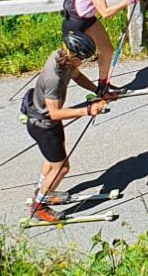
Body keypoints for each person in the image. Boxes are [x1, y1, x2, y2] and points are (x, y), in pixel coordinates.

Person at [23, 29, 109, 223]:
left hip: (48, 122)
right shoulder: (53, 78)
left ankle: (45, 190)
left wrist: (98, 90)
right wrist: (87, 110)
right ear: (74, 56)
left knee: (52, 161)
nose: (84, 62)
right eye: (84, 59)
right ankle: (39, 207)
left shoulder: (64, 58)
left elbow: (77, 76)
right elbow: (54, 113)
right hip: (43, 124)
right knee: (62, 168)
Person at [63, 0, 148, 97]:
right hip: (77, 23)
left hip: (88, 18)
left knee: (107, 50)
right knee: (69, 66)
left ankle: (103, 86)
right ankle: (49, 97)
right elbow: (105, 13)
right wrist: (130, 0)